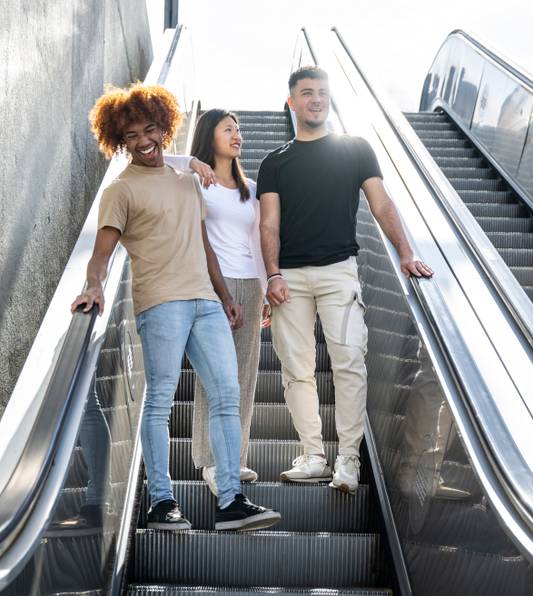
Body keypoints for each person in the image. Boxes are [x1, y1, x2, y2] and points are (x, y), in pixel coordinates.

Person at [71, 83, 280, 532]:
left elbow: (204, 246)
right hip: (160, 304)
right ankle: (163, 501)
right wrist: (94, 287)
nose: (143, 140)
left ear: (165, 128)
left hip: (205, 302)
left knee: (227, 394)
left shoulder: (189, 182)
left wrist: (225, 296)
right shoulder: (121, 190)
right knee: (160, 401)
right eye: (131, 135)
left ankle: (230, 500)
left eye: (150, 129)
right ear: (119, 141)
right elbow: (102, 254)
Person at [258, 66, 433, 494]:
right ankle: (313, 455)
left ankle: (349, 460)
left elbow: (381, 203)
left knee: (349, 362)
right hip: (291, 280)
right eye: (306, 93)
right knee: (295, 369)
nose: (316, 99)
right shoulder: (274, 163)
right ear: (291, 102)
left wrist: (406, 252)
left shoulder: (355, 149)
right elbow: (268, 225)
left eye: (322, 92)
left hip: (340, 272)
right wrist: (274, 274)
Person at [164, 110, 267, 496]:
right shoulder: (194, 180)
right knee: (215, 376)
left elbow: (256, 242)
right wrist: (190, 160)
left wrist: (264, 285)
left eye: (239, 129)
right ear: (211, 135)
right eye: (228, 129)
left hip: (249, 287)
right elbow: (148, 159)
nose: (237, 135)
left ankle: (234, 458)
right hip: (209, 285)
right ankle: (210, 461)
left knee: (245, 375)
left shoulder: (250, 188)